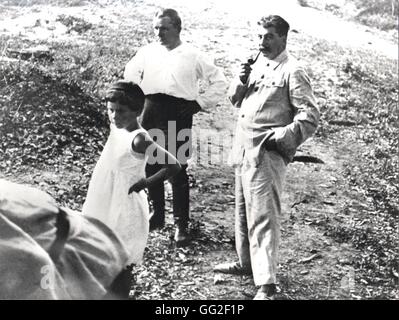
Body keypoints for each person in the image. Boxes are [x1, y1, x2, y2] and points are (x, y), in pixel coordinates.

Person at [213, 15, 320, 300]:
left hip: (266, 153)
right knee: (242, 212)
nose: (263, 41)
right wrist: (240, 78)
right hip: (243, 147)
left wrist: (280, 137)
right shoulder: (256, 63)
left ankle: (267, 285)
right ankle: (246, 263)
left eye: (269, 36)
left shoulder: (293, 70)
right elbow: (235, 100)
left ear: (284, 38)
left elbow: (309, 117)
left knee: (263, 215)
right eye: (260, 36)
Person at [124, 8, 227, 246]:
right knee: (151, 165)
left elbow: (219, 82)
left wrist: (199, 103)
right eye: (156, 28)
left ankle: (181, 223)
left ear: (178, 29)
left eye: (165, 28)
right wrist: (137, 100)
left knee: (177, 167)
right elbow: (130, 75)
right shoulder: (148, 52)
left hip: (178, 113)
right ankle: (157, 214)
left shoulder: (192, 55)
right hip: (151, 111)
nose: (159, 33)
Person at [82, 80, 181, 267]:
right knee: (97, 245)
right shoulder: (116, 128)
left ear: (137, 112)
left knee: (120, 254)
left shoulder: (139, 139)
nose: (113, 116)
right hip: (103, 195)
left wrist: (145, 183)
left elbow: (173, 165)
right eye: (110, 110)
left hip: (123, 201)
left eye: (120, 111)